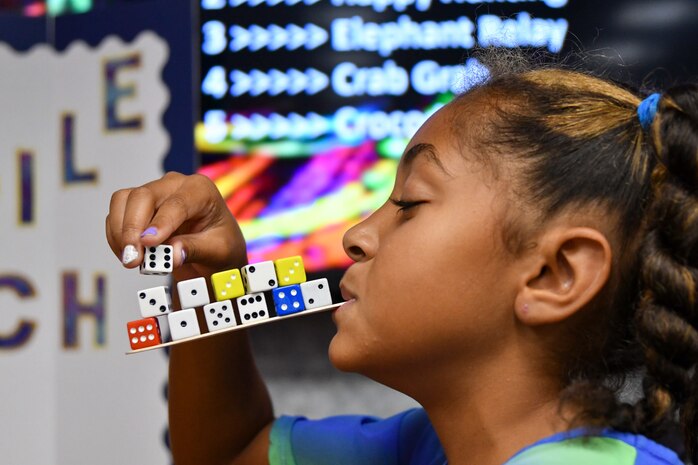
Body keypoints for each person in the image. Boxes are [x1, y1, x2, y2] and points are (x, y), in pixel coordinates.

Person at [105, 61, 698, 465]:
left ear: (554, 275)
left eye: (409, 204)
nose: (357, 237)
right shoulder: (430, 447)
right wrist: (208, 282)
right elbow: (230, 454)